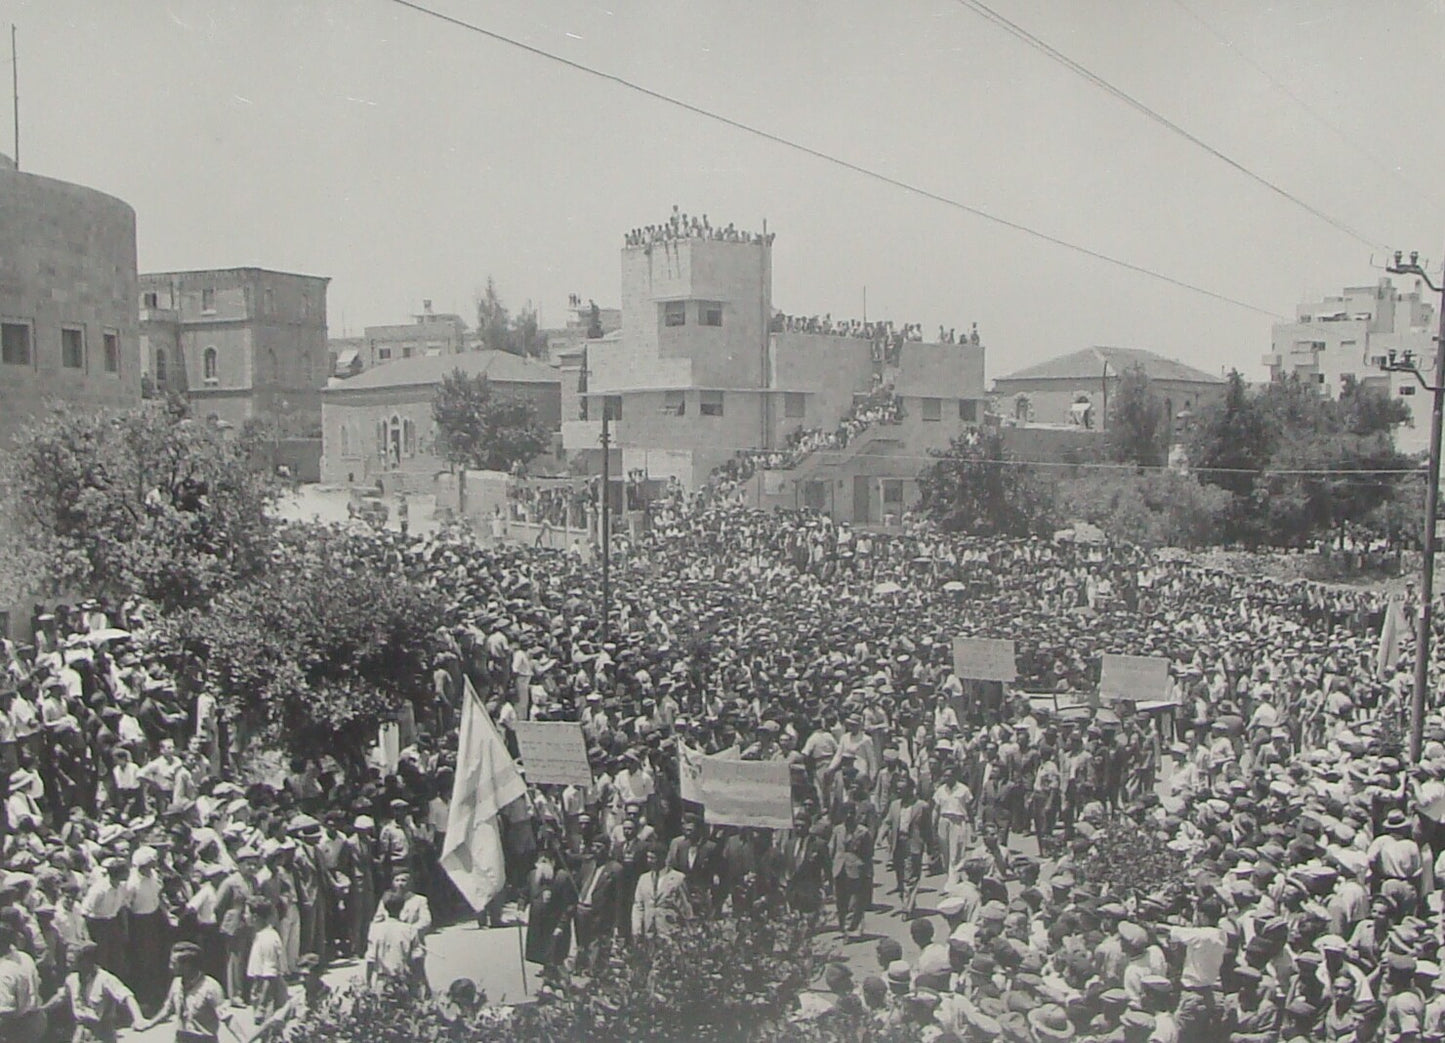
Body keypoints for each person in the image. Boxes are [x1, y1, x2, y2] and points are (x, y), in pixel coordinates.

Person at [133, 942, 230, 1043]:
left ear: (187, 965)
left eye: (174, 963)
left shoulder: (210, 987)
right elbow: (168, 1009)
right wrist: (150, 1023)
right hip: (181, 1038)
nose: (170, 967)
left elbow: (227, 1017)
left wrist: (241, 1038)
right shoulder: (176, 983)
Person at [50, 939, 143, 1043]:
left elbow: (127, 996)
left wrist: (138, 1018)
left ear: (87, 961)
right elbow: (61, 997)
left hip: (102, 1034)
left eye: (73, 962)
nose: (68, 965)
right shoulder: (71, 979)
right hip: (80, 1033)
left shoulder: (105, 979)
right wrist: (43, 1009)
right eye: (68, 962)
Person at [365, 890, 424, 995]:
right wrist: (418, 982)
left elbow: (371, 959)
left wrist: (368, 983)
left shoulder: (375, 929)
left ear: (385, 908)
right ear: (402, 908)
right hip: (404, 980)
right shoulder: (409, 930)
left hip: (382, 981)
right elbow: (417, 959)